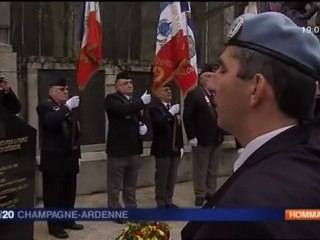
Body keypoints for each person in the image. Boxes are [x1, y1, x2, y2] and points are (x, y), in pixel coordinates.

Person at [181, 12, 320, 239]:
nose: (212, 82)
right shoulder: (303, 161)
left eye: (223, 70)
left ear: (256, 88)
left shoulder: (250, 209)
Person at [37, 78, 83, 239]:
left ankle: (67, 219)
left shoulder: (69, 108)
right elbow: (51, 122)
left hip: (69, 156)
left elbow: (76, 133)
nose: (66, 92)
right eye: (61, 89)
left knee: (69, 191)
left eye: (67, 89)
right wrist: (68, 107)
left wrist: (78, 155)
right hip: (53, 158)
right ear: (51, 91)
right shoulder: (45, 107)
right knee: (53, 193)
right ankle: (54, 225)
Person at [104, 71, 151, 221]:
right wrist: (141, 102)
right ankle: (115, 211)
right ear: (117, 86)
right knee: (114, 186)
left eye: (131, 83)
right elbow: (122, 110)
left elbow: (142, 117)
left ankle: (132, 210)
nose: (130, 85)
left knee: (131, 185)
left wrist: (143, 126)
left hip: (133, 150)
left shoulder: (135, 102)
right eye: (125, 83)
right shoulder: (112, 99)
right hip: (117, 151)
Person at [183, 64, 224, 207]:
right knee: (201, 168)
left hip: (216, 137)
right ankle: (200, 193)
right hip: (201, 138)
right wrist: (191, 136)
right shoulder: (195, 94)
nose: (211, 79)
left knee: (213, 168)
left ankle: (210, 192)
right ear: (201, 79)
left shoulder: (216, 93)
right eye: (208, 76)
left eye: (213, 76)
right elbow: (187, 116)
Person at [149, 83, 183, 208]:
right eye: (166, 90)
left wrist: (180, 146)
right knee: (162, 176)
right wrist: (170, 113)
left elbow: (177, 129)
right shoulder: (155, 108)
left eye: (170, 90)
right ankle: (161, 201)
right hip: (162, 148)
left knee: (172, 176)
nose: (169, 92)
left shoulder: (173, 108)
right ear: (158, 94)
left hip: (174, 148)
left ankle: (169, 199)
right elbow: (158, 124)